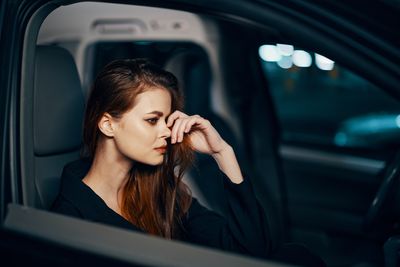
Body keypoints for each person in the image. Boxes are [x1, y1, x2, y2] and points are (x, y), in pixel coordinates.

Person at [51, 58, 325, 266]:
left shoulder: (161, 189)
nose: (167, 132)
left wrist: (222, 153)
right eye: (152, 120)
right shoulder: (70, 216)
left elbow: (253, 252)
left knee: (295, 255)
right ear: (108, 125)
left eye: (167, 120)